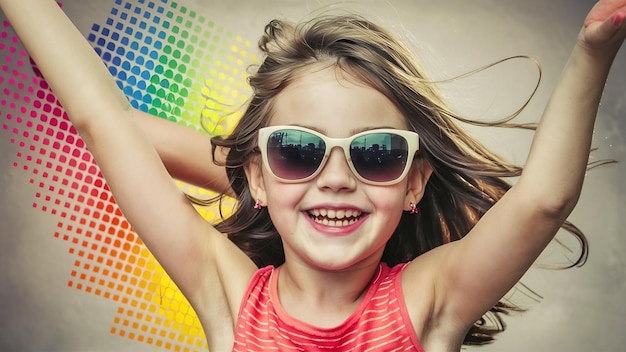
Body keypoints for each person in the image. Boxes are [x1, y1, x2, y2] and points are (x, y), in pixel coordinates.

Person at [1, 0, 624, 350]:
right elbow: (100, 120)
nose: (336, 178)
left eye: (374, 153)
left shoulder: (428, 302)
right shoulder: (230, 298)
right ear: (259, 177)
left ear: (413, 183)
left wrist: (594, 49)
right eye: (299, 150)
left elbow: (541, 202)